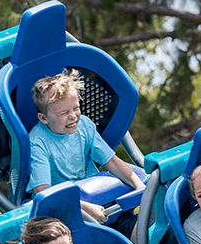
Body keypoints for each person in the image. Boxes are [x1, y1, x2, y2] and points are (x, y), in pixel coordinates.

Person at [26, 69, 144, 227]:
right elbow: (43, 191)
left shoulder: (84, 125)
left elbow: (112, 162)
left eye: (75, 108)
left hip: (97, 198)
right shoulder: (37, 141)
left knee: (134, 226)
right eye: (63, 113)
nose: (73, 116)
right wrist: (85, 208)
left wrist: (140, 186)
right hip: (65, 212)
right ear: (43, 118)